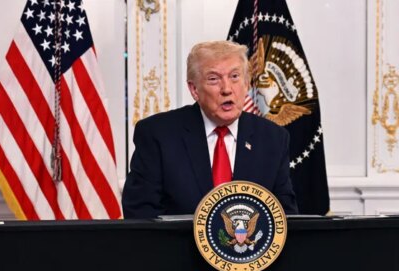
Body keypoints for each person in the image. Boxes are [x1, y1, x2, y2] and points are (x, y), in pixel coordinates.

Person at [122, 40, 298, 219]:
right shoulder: (158, 134)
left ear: (247, 84)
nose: (227, 89)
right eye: (214, 79)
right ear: (194, 89)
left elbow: (285, 217)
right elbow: (141, 216)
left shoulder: (273, 138)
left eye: (235, 76)